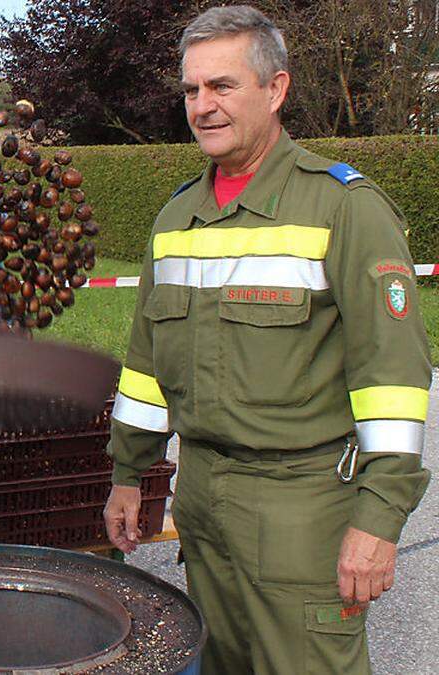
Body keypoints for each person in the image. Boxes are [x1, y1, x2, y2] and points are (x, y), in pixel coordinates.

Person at [103, 6, 431, 673]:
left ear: (275, 90)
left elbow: (393, 382)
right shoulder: (176, 219)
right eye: (192, 90)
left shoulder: (343, 208)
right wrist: (129, 472)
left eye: (222, 86)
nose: (203, 106)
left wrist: (379, 519)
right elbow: (145, 367)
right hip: (203, 499)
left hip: (302, 506)